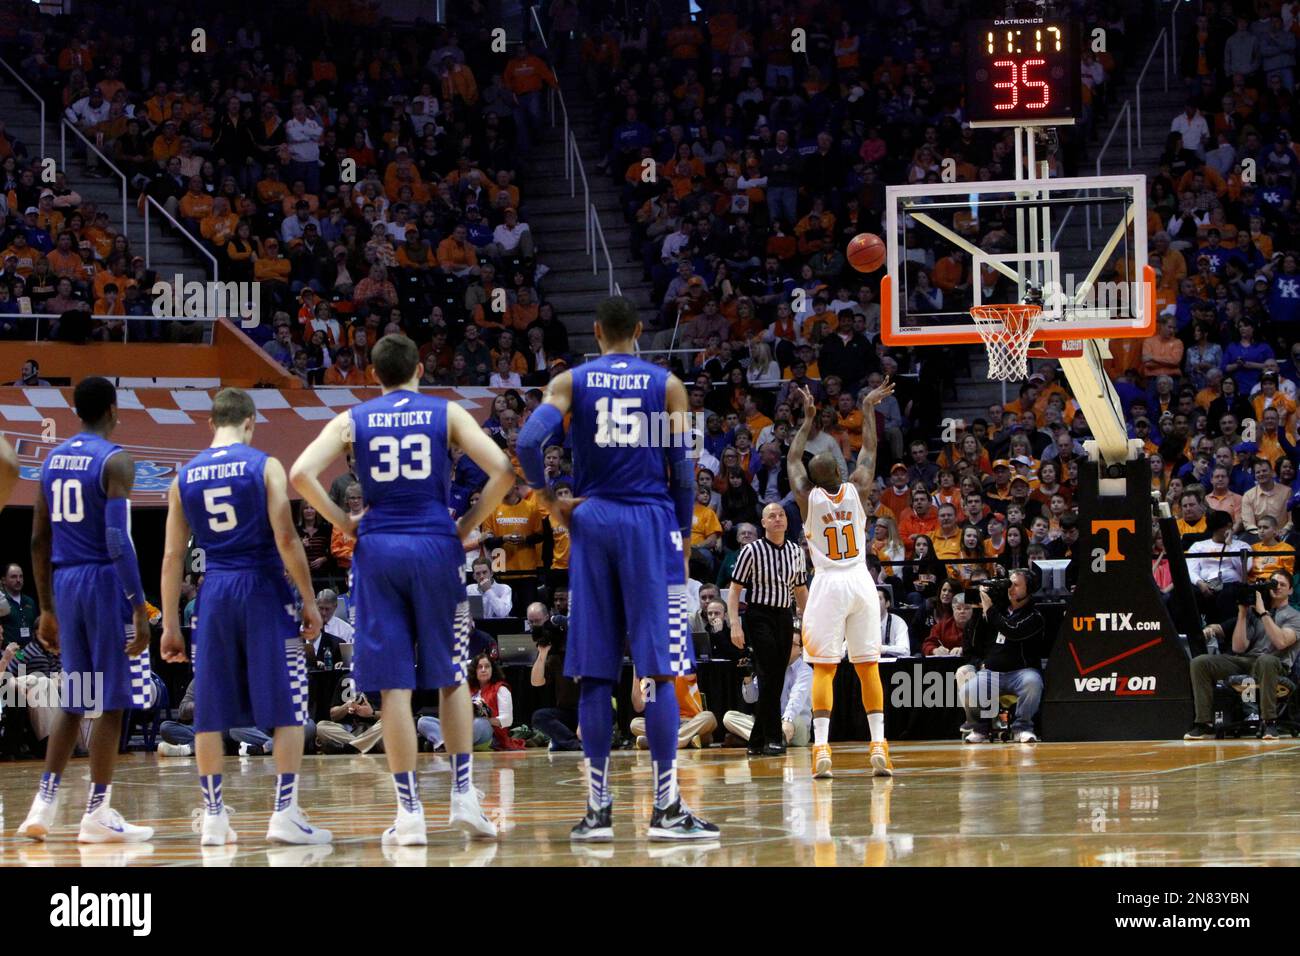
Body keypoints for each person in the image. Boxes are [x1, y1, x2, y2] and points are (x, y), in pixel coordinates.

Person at [291, 334, 514, 845]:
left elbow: (301, 473)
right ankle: (463, 798)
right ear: (419, 368)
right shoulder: (446, 413)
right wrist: (467, 524)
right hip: (436, 545)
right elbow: (502, 470)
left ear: (375, 374)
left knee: (393, 686)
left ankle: (409, 812)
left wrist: (346, 524)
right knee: (452, 675)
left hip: (379, 550)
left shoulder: (354, 419)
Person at [517, 295, 717, 842]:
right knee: (658, 669)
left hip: (594, 521)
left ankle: (598, 811)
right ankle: (666, 809)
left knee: (596, 670)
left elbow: (530, 440)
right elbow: (681, 468)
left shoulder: (572, 382)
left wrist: (550, 499)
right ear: (640, 330)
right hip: (651, 523)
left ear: (597, 330)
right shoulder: (666, 384)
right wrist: (680, 531)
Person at [158, 387, 331, 846]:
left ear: (211, 423)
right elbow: (288, 539)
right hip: (263, 588)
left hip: (214, 592)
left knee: (210, 711)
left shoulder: (184, 477)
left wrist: (172, 623)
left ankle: (214, 817)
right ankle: (285, 813)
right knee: (290, 703)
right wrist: (310, 600)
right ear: (250, 422)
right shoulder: (265, 466)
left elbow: (174, 555)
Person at [18, 377, 155, 842]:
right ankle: (97, 812)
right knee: (113, 700)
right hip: (101, 581)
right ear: (114, 410)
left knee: (76, 696)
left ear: (76, 411)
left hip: (65, 582)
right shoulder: (115, 460)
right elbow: (118, 541)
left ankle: (43, 803)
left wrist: (46, 608)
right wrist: (138, 605)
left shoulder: (52, 460)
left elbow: (39, 538)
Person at [786, 378, 896, 779]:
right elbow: (870, 448)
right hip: (861, 581)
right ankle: (879, 744)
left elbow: (792, 461)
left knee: (824, 669)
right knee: (869, 668)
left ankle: (820, 748)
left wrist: (807, 420)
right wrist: (867, 407)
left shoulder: (805, 495)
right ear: (840, 472)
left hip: (828, 582)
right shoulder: (858, 488)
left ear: (814, 481)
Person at [726, 501, 809, 756]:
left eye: (781, 514)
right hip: (758, 614)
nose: (777, 518)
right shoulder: (752, 550)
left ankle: (756, 738)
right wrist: (735, 625)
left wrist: (807, 622)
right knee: (769, 671)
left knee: (775, 675)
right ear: (763, 523)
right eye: (771, 516)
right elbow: (735, 590)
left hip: (784, 615)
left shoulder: (796, 551)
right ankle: (774, 738)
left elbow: (801, 590)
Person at [1186, 572, 1300, 741]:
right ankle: (1204, 724)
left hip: (1276, 665)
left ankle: (1269, 721)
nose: (1277, 587)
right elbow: (1238, 647)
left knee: (1266, 660)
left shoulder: (1295, 616)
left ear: (1291, 590)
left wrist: (1263, 613)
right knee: (1200, 662)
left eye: (1282, 585)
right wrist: (1242, 614)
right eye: (1274, 583)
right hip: (1247, 661)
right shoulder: (1255, 614)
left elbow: (1281, 642)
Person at [959, 570, 1045, 743]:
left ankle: (1022, 727)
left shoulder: (1034, 616)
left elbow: (1012, 631)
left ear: (1029, 589)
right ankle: (980, 728)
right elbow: (975, 641)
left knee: (1033, 683)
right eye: (1009, 584)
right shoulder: (998, 610)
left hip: (1021, 672)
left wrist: (990, 610)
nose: (1011, 588)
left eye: (1016, 585)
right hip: (992, 672)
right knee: (968, 691)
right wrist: (978, 610)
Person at [722, 635, 814, 747]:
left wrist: (787, 720)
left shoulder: (805, 671)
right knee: (729, 717)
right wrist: (747, 678)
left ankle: (757, 739)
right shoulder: (771, 666)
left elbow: (797, 698)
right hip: (772, 724)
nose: (785, 647)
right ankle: (773, 740)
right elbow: (751, 698)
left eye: (792, 644)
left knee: (795, 720)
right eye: (784, 643)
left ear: (801, 649)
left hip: (795, 725)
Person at [419, 653, 522, 751]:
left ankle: (442, 741)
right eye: (479, 667)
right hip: (460, 728)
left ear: (492, 669)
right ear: (474, 670)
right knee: (423, 721)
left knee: (479, 723)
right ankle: (444, 743)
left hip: (487, 732)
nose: (483, 670)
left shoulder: (501, 689)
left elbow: (508, 720)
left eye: (487, 666)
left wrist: (487, 719)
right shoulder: (466, 688)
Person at [629, 671, 717, 749]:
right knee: (635, 724)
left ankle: (659, 742)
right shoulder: (650, 681)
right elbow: (639, 707)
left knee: (709, 717)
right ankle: (687, 741)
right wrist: (636, 671)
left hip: (690, 723)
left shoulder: (683, 670)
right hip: (667, 727)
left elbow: (690, 674)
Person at [0, 563, 39, 647]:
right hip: (8, 653)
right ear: (3, 580)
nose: (18, 580)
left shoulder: (30, 601)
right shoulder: (1, 601)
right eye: (13, 577)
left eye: (21, 576)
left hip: (30, 652)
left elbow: (36, 628)